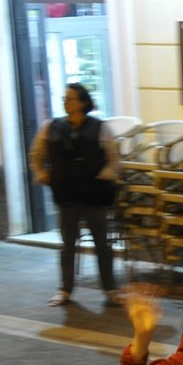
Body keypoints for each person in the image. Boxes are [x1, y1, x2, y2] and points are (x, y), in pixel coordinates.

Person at [30, 82, 120, 308]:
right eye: (64, 98)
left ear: (82, 102)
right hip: (66, 194)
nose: (65, 102)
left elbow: (114, 157)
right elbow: (37, 154)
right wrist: (43, 173)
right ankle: (65, 289)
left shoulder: (100, 127)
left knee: (102, 244)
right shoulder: (51, 127)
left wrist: (103, 176)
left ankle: (110, 289)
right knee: (68, 244)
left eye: (70, 98)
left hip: (94, 195)